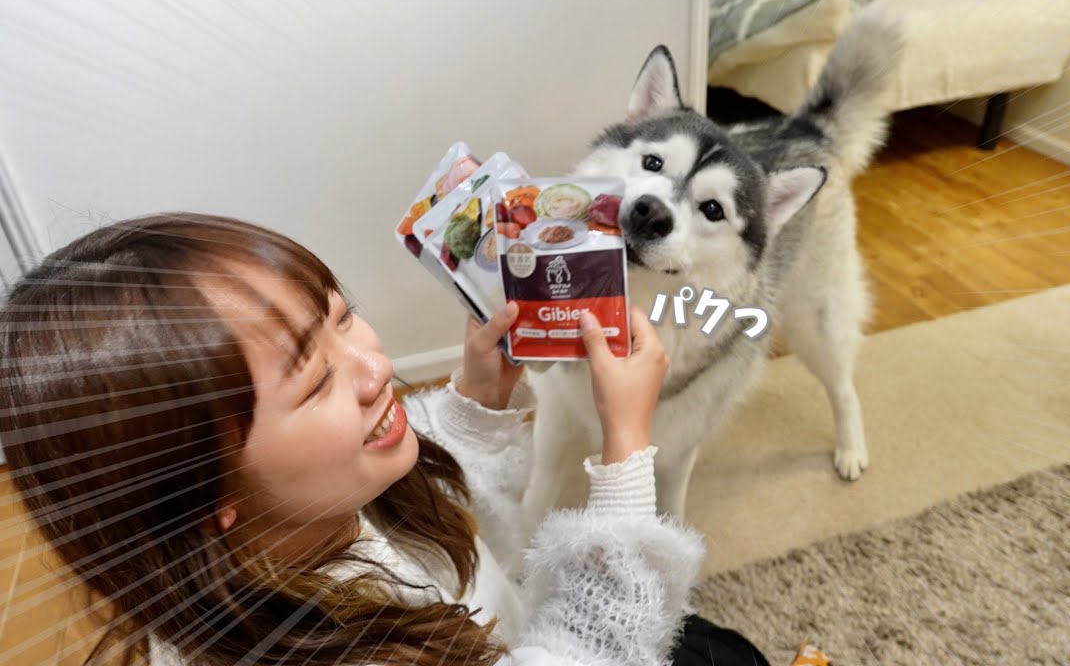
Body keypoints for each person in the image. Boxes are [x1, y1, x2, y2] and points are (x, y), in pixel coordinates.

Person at [0, 213, 770, 666]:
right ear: (203, 497)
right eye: (314, 381)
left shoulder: (312, 501)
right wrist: (627, 446)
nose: (375, 366)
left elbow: (436, 501)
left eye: (343, 317)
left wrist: (477, 400)